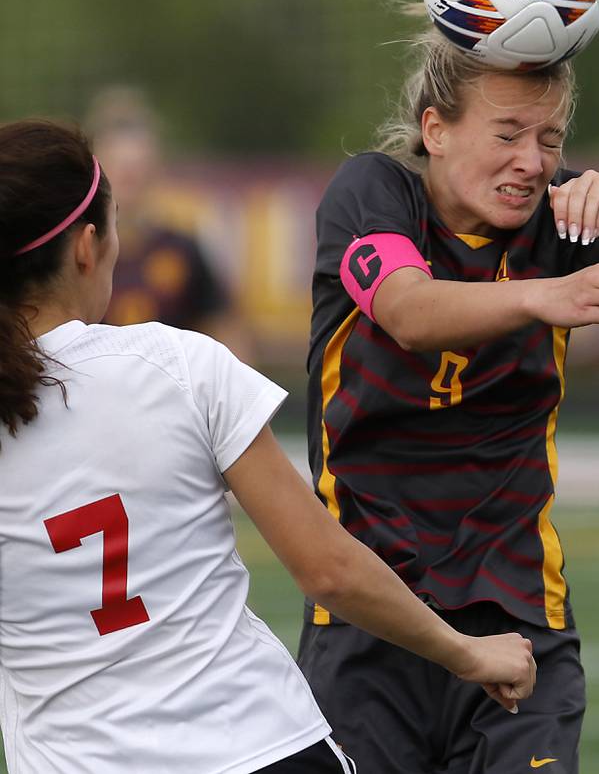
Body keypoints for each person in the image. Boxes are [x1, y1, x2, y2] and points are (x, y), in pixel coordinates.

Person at [297, 0, 599, 773]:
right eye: (508, 133)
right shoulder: (373, 194)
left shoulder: (560, 217)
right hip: (371, 615)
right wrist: (551, 293)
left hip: (519, 611)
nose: (531, 161)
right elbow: (408, 308)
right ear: (435, 130)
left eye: (550, 138)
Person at [0, 120, 536, 774]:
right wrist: (467, 652)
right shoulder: (177, 364)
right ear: (87, 247)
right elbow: (329, 570)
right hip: (262, 747)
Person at [85, 86, 252, 359]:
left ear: (155, 169)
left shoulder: (184, 250)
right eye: (121, 169)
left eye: (138, 169)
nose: (131, 181)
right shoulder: (79, 252)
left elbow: (229, 335)